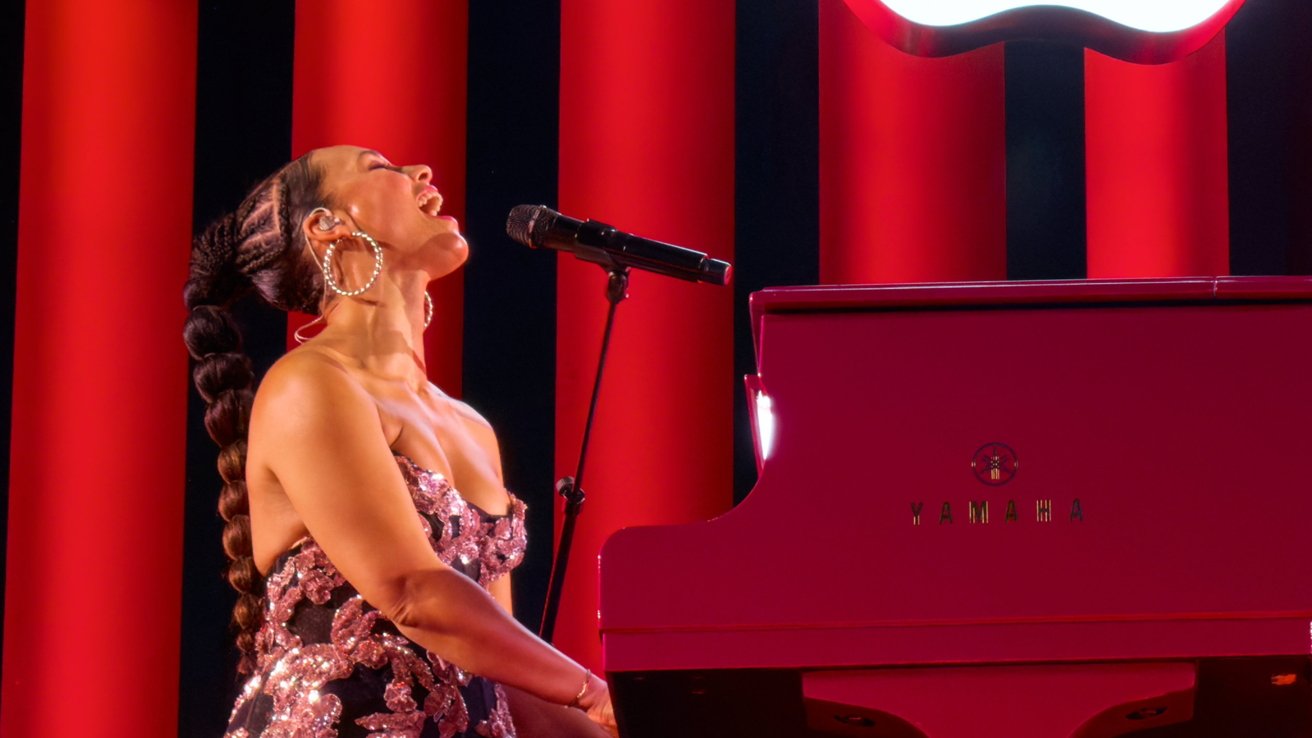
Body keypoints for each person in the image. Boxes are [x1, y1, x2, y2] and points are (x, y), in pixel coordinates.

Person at [184, 145, 617, 737]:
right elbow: (412, 591)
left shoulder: (471, 429)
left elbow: (499, 676)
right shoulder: (310, 383)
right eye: (380, 168)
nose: (422, 173)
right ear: (326, 225)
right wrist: (593, 691)